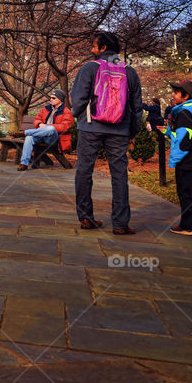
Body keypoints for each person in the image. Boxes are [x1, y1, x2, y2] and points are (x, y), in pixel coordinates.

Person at [70, 31, 143, 234]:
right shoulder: (130, 72)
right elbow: (137, 107)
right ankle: (120, 223)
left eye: (94, 45)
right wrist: (133, 131)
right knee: (119, 174)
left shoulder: (89, 68)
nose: (91, 49)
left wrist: (81, 118)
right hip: (119, 129)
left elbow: (77, 99)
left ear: (103, 48)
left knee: (84, 170)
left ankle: (86, 218)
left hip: (90, 127)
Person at [17, 89, 74, 171]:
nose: (51, 99)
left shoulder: (66, 112)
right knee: (29, 138)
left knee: (51, 128)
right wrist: (40, 124)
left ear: (60, 100)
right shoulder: (46, 109)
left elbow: (65, 126)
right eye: (50, 98)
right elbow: (37, 119)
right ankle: (24, 163)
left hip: (54, 138)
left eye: (53, 98)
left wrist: (47, 126)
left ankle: (25, 133)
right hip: (41, 135)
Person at [164, 81, 192, 235]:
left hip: (187, 161)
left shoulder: (184, 113)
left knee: (185, 192)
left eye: (176, 92)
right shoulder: (191, 110)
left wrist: (175, 160)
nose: (173, 95)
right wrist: (168, 133)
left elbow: (184, 140)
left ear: (186, 95)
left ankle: (188, 226)